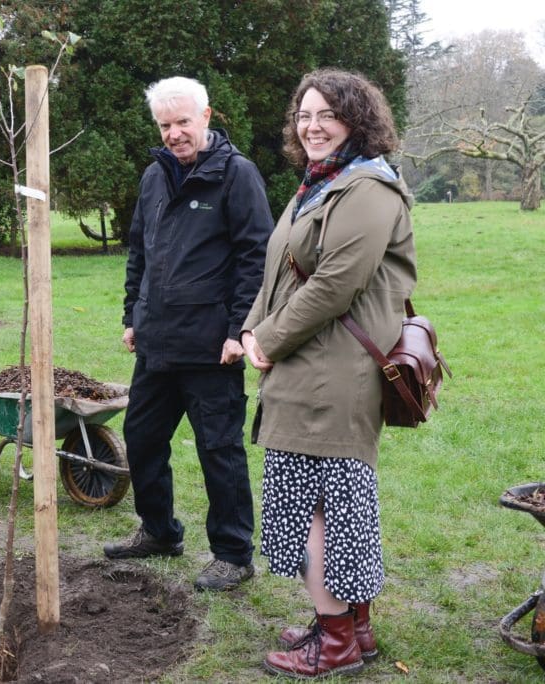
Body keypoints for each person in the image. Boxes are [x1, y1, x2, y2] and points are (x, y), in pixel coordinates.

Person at [241, 68, 416, 678]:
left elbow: (335, 285)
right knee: (331, 505)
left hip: (332, 373)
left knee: (325, 508)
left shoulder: (367, 189)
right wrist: (251, 329)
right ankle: (351, 628)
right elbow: (279, 272)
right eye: (304, 115)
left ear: (357, 121)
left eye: (328, 115)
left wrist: (269, 339)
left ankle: (336, 641)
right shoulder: (321, 184)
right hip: (308, 364)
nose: (312, 127)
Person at [103, 76, 273, 592]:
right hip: (157, 341)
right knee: (142, 438)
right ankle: (159, 531)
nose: (174, 133)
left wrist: (239, 330)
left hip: (211, 347)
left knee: (218, 449)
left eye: (182, 122)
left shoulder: (236, 175)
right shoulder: (155, 176)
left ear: (206, 116)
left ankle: (233, 554)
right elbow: (139, 251)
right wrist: (132, 315)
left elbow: (256, 257)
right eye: (165, 125)